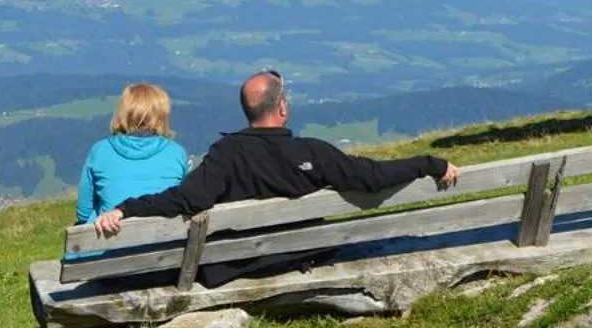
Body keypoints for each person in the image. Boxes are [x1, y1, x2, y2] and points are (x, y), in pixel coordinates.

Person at [91, 68, 460, 237]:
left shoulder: (226, 154)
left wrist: (126, 208)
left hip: (237, 266)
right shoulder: (314, 152)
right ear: (282, 107)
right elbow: (372, 177)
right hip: (303, 255)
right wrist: (430, 163)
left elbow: (184, 198)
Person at [74, 83, 190, 232]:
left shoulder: (100, 151)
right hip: (164, 245)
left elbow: (83, 214)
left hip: (109, 247)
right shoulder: (176, 153)